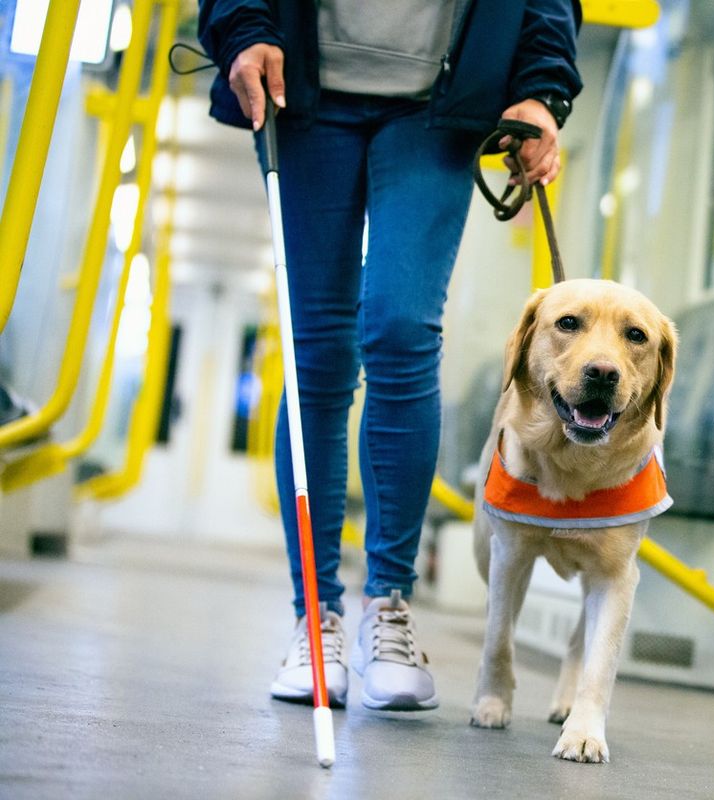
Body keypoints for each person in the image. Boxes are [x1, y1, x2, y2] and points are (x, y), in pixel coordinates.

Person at [197, 0, 582, 711]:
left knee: (403, 330)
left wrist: (540, 84)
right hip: (301, 90)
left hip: (440, 100)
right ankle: (315, 619)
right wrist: (243, 29)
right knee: (318, 351)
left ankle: (389, 604)